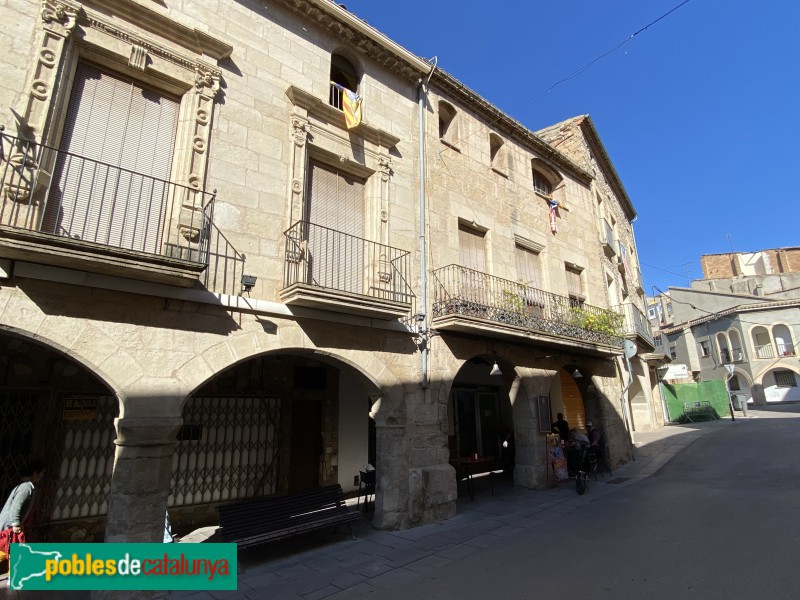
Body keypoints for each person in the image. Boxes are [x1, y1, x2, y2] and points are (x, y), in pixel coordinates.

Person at [0, 459, 46, 537]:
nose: (43, 476)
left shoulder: (26, 485)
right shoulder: (26, 486)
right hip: (7, 526)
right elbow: (16, 506)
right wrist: (16, 524)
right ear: (35, 473)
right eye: (42, 473)